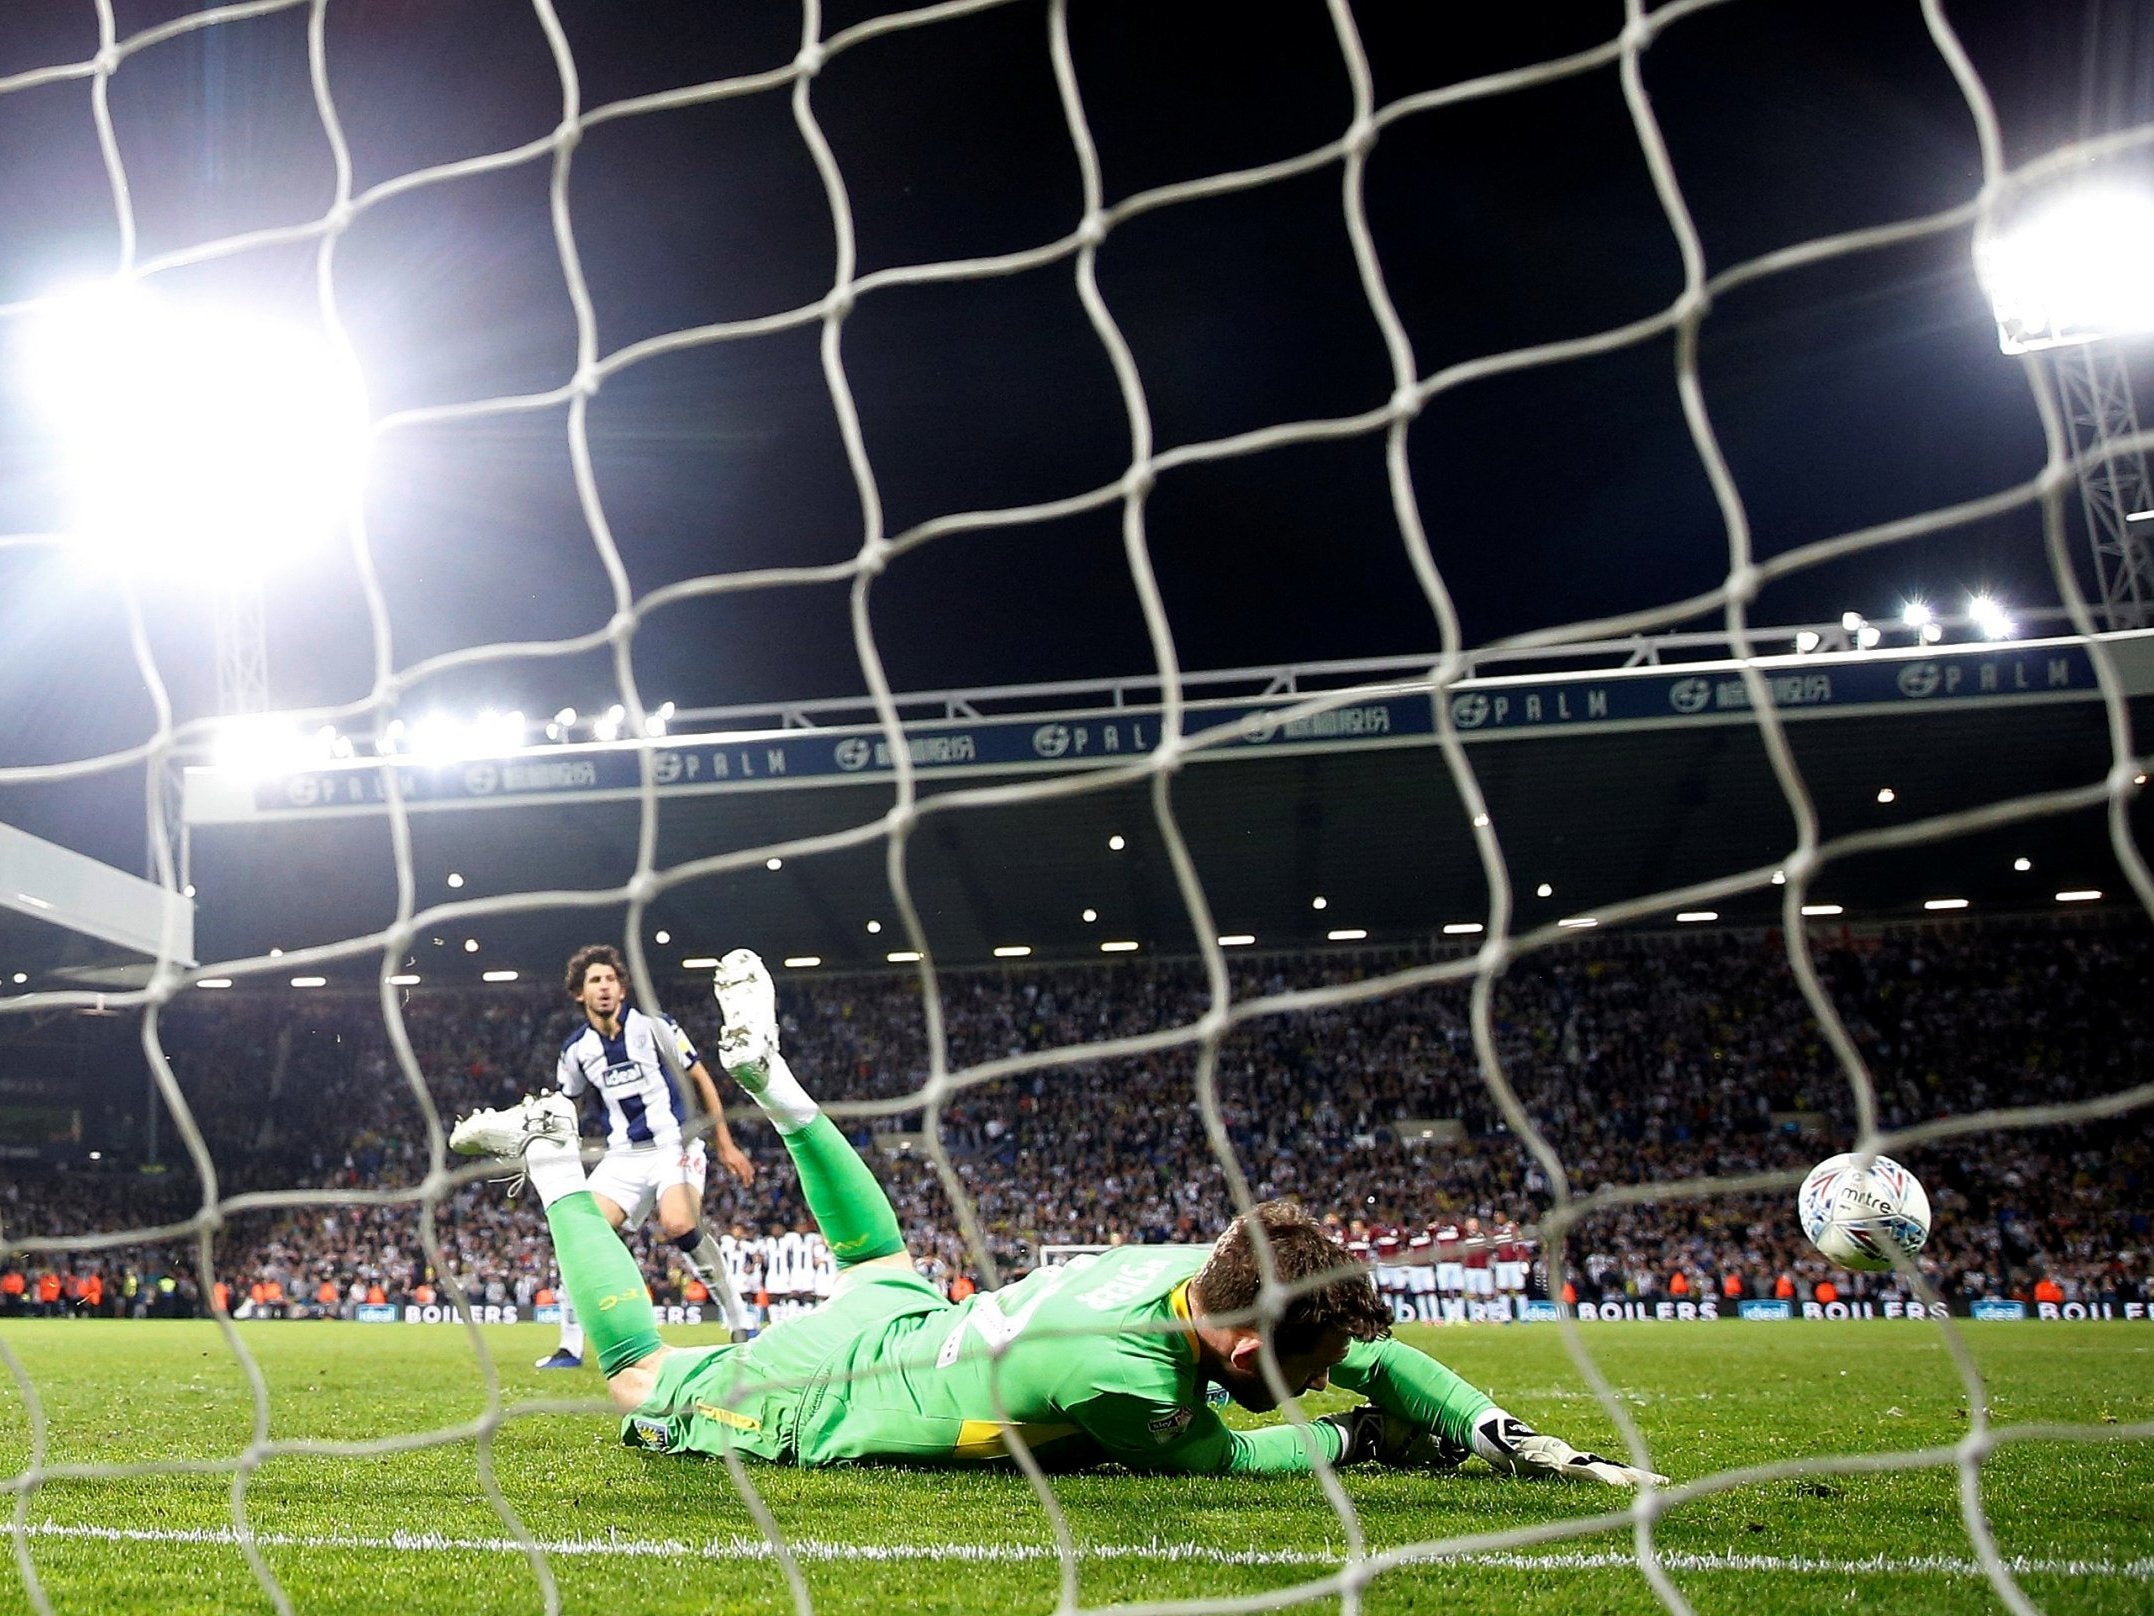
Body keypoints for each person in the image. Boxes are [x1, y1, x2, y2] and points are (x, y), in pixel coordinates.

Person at [455, 949, 1666, 1484]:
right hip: (838, 1389)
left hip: (921, 1312)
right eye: (1297, 1371)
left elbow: (1356, 1341)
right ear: (1243, 1346)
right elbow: (1247, 1448)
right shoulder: (1131, 1386)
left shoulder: (1221, 1261)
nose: (1312, 1383)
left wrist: (1486, 1421)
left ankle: (778, 1082)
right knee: (635, 1370)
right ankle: (559, 1163)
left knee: (876, 1249)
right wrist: (1364, 1437)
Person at [533, 943, 758, 1368]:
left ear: (622, 988)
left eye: (610, 979)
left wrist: (725, 1143)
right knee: (577, 1234)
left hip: (675, 1146)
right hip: (623, 1157)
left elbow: (701, 1078)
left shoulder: (655, 1027)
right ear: (579, 994)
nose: (604, 987)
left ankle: (740, 1320)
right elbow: (567, 1107)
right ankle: (569, 1347)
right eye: (594, 980)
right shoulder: (577, 1050)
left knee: (678, 1223)